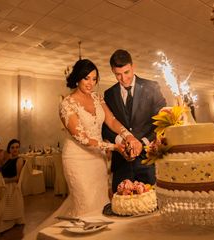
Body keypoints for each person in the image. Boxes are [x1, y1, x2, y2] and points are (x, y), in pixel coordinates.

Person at [58, 58, 140, 217]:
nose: (90, 83)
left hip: (98, 158)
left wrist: (128, 136)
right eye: (86, 78)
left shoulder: (97, 97)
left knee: (100, 202)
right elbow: (82, 138)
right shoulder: (67, 104)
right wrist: (114, 147)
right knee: (85, 204)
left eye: (94, 79)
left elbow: (111, 120)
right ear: (77, 78)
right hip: (77, 159)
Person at [102, 49, 166, 192]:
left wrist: (142, 142)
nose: (123, 78)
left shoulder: (152, 87)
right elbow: (105, 127)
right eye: (118, 74)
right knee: (122, 206)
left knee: (152, 203)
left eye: (126, 72)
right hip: (121, 163)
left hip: (148, 160)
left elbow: (162, 122)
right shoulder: (109, 94)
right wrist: (120, 142)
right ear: (112, 71)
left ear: (133, 66)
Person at [0, 139, 25, 233]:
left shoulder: (19, 160)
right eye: (12, 147)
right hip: (4, 183)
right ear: (9, 149)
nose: (15, 149)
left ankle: (4, 223)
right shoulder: (8, 159)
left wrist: (4, 181)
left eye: (17, 147)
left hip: (10, 185)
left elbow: (17, 178)